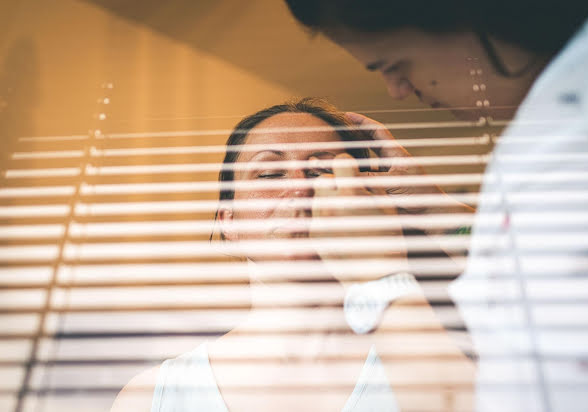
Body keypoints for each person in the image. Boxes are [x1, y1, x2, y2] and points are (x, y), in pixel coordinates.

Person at [283, 1, 588, 412]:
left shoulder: (580, 134)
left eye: (392, 64)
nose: (397, 89)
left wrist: (378, 279)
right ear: (224, 220)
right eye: (269, 174)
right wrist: (432, 206)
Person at [110, 98, 475, 412]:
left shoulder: (445, 360)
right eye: (269, 174)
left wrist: (432, 206)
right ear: (229, 223)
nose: (300, 187)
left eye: (323, 170)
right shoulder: (153, 398)